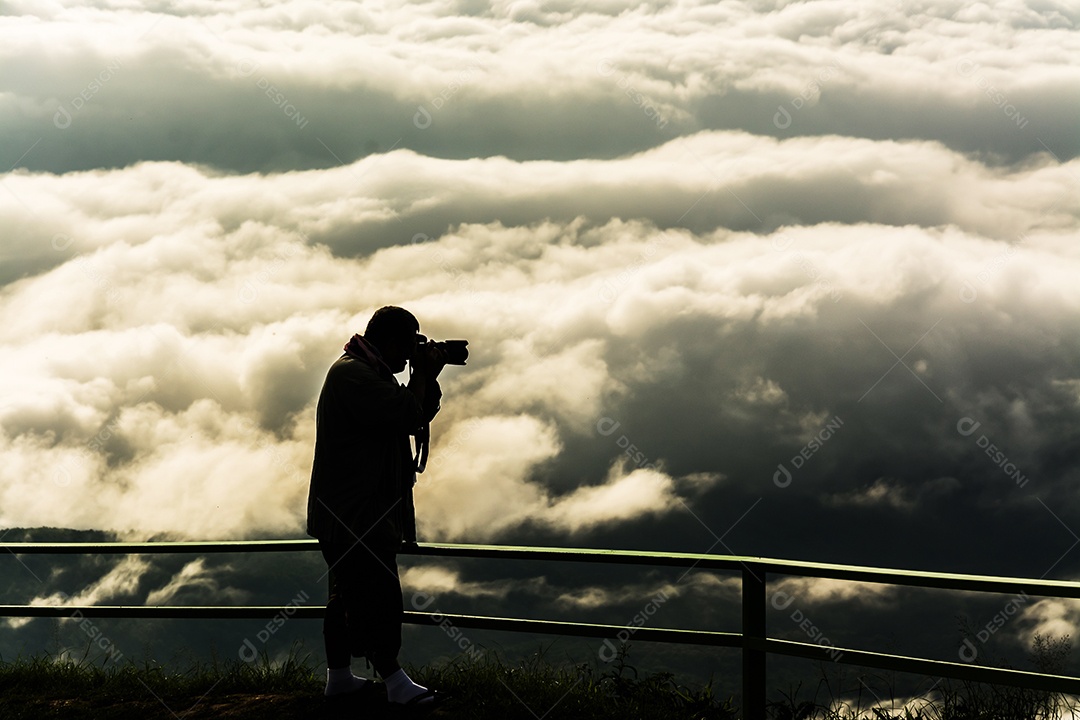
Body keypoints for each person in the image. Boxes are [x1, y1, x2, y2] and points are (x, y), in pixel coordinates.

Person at [306, 305, 447, 706]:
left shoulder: (364, 370)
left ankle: (339, 679)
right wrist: (422, 374)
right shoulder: (355, 375)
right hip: (357, 517)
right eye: (409, 346)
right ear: (390, 342)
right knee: (377, 596)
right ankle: (397, 686)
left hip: (350, 513)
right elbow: (406, 414)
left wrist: (426, 377)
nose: (411, 355)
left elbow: (416, 414)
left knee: (347, 596)